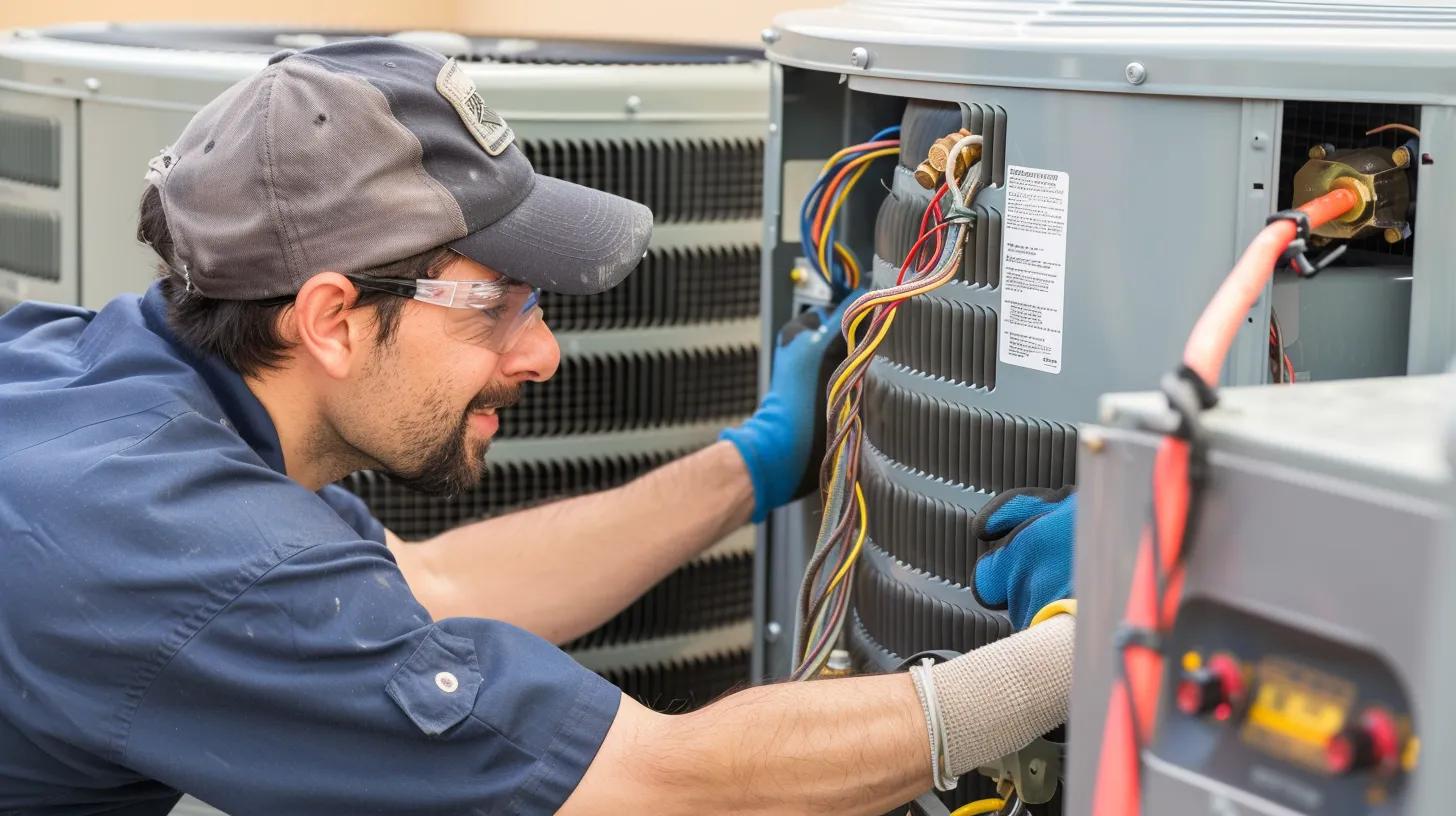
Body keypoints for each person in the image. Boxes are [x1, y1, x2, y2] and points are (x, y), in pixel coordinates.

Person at [0, 39, 1076, 815]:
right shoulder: (184, 556)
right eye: (497, 304)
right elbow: (666, 787)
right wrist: (1093, 641)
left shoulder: (91, 378)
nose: (542, 354)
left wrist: (749, 465)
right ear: (331, 319)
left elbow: (438, 588)